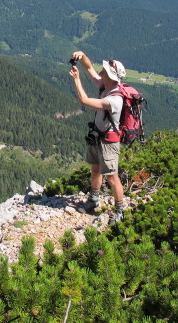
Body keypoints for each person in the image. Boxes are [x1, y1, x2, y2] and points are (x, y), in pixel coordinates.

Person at [69, 50, 126, 224]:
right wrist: (82, 55)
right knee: (95, 169)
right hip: (98, 137)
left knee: (112, 177)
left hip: (109, 142)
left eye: (104, 71)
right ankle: (94, 200)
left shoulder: (115, 100)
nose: (100, 72)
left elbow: (85, 101)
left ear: (110, 75)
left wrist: (77, 80)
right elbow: (89, 68)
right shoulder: (105, 85)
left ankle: (119, 210)